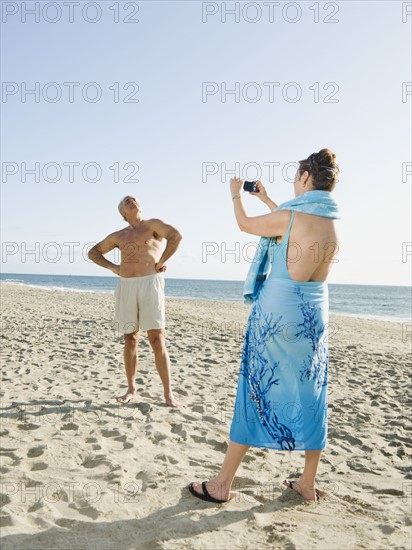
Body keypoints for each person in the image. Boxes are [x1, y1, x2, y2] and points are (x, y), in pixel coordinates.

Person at [188, 148, 340, 503]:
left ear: (305, 178)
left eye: (296, 175)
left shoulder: (290, 217)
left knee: (254, 388)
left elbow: (246, 225)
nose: (294, 180)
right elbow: (291, 230)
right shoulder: (331, 221)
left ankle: (222, 484)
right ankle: (306, 482)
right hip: (314, 317)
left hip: (277, 314)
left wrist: (235, 194)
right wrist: (269, 199)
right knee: (312, 392)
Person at [88, 196, 182, 408]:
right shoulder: (119, 235)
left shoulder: (153, 225)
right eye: (126, 202)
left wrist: (162, 261)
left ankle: (168, 394)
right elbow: (93, 253)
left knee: (157, 339)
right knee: (130, 339)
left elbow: (176, 236)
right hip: (127, 286)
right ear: (123, 213)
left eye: (134, 200)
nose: (131, 201)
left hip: (151, 283)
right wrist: (114, 267)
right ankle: (131, 389)